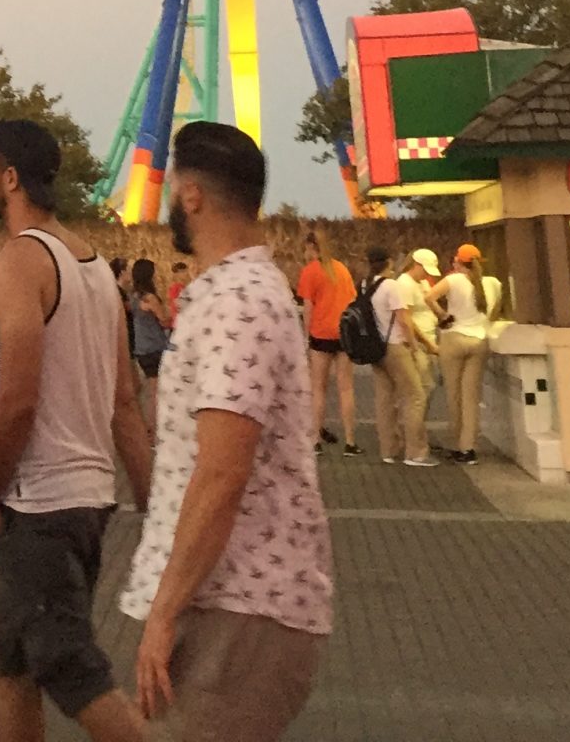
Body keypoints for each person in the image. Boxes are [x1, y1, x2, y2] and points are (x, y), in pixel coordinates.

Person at [125, 125, 332, 739]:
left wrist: (163, 616)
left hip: (236, 606)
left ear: (191, 195)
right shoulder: (236, 293)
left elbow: (221, 472)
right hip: (228, 601)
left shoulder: (237, 302)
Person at [0, 118, 154, 742]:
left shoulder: (21, 260)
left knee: (70, 668)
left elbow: (17, 399)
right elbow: (123, 402)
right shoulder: (96, 265)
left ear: (12, 178)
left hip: (40, 499)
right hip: (88, 496)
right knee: (11, 662)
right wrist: (149, 497)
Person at [367, 248, 437, 466]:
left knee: (385, 400)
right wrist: (415, 346)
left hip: (375, 348)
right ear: (389, 262)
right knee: (415, 396)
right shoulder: (392, 286)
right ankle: (416, 452)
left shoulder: (365, 285)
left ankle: (388, 449)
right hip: (396, 346)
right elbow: (404, 320)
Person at [293, 233, 357, 455]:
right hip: (343, 335)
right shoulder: (342, 270)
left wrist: (305, 335)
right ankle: (350, 441)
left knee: (318, 388)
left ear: (312, 247)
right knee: (346, 388)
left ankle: (315, 439)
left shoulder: (310, 272)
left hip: (320, 334)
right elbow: (351, 301)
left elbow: (308, 307)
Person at [436, 243, 499, 466]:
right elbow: (494, 311)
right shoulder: (493, 283)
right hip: (479, 340)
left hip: (454, 338)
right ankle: (469, 447)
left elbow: (429, 297)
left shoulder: (453, 280)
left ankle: (457, 445)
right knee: (471, 397)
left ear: (457, 261)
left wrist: (443, 315)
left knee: (454, 395)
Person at [128, 258, 171, 389]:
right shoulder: (150, 298)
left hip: (141, 346)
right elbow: (164, 321)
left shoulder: (133, 296)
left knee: (152, 389)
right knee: (160, 389)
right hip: (155, 346)